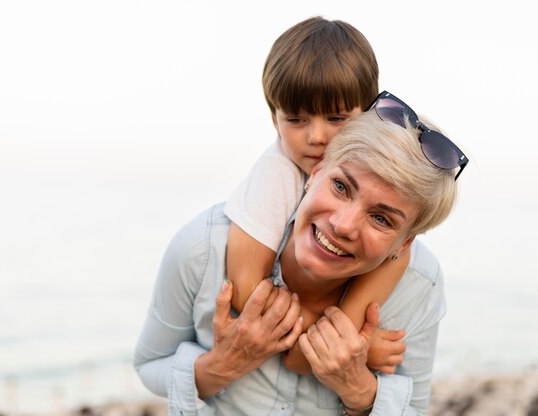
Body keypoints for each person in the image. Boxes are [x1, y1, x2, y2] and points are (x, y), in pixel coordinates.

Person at [133, 92, 469, 415]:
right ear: (317, 171)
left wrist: (358, 389)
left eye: (381, 219)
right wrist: (220, 367)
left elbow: (415, 410)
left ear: (404, 243)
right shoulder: (203, 248)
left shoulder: (419, 287)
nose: (343, 225)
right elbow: (149, 365)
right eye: (341, 187)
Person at [223, 17, 408, 374]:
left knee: (402, 252)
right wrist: (359, 349)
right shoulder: (276, 172)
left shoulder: (379, 177)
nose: (317, 137)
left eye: (337, 118)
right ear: (274, 119)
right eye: (296, 120)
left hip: (313, 324)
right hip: (293, 326)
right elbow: (245, 291)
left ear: (369, 114)